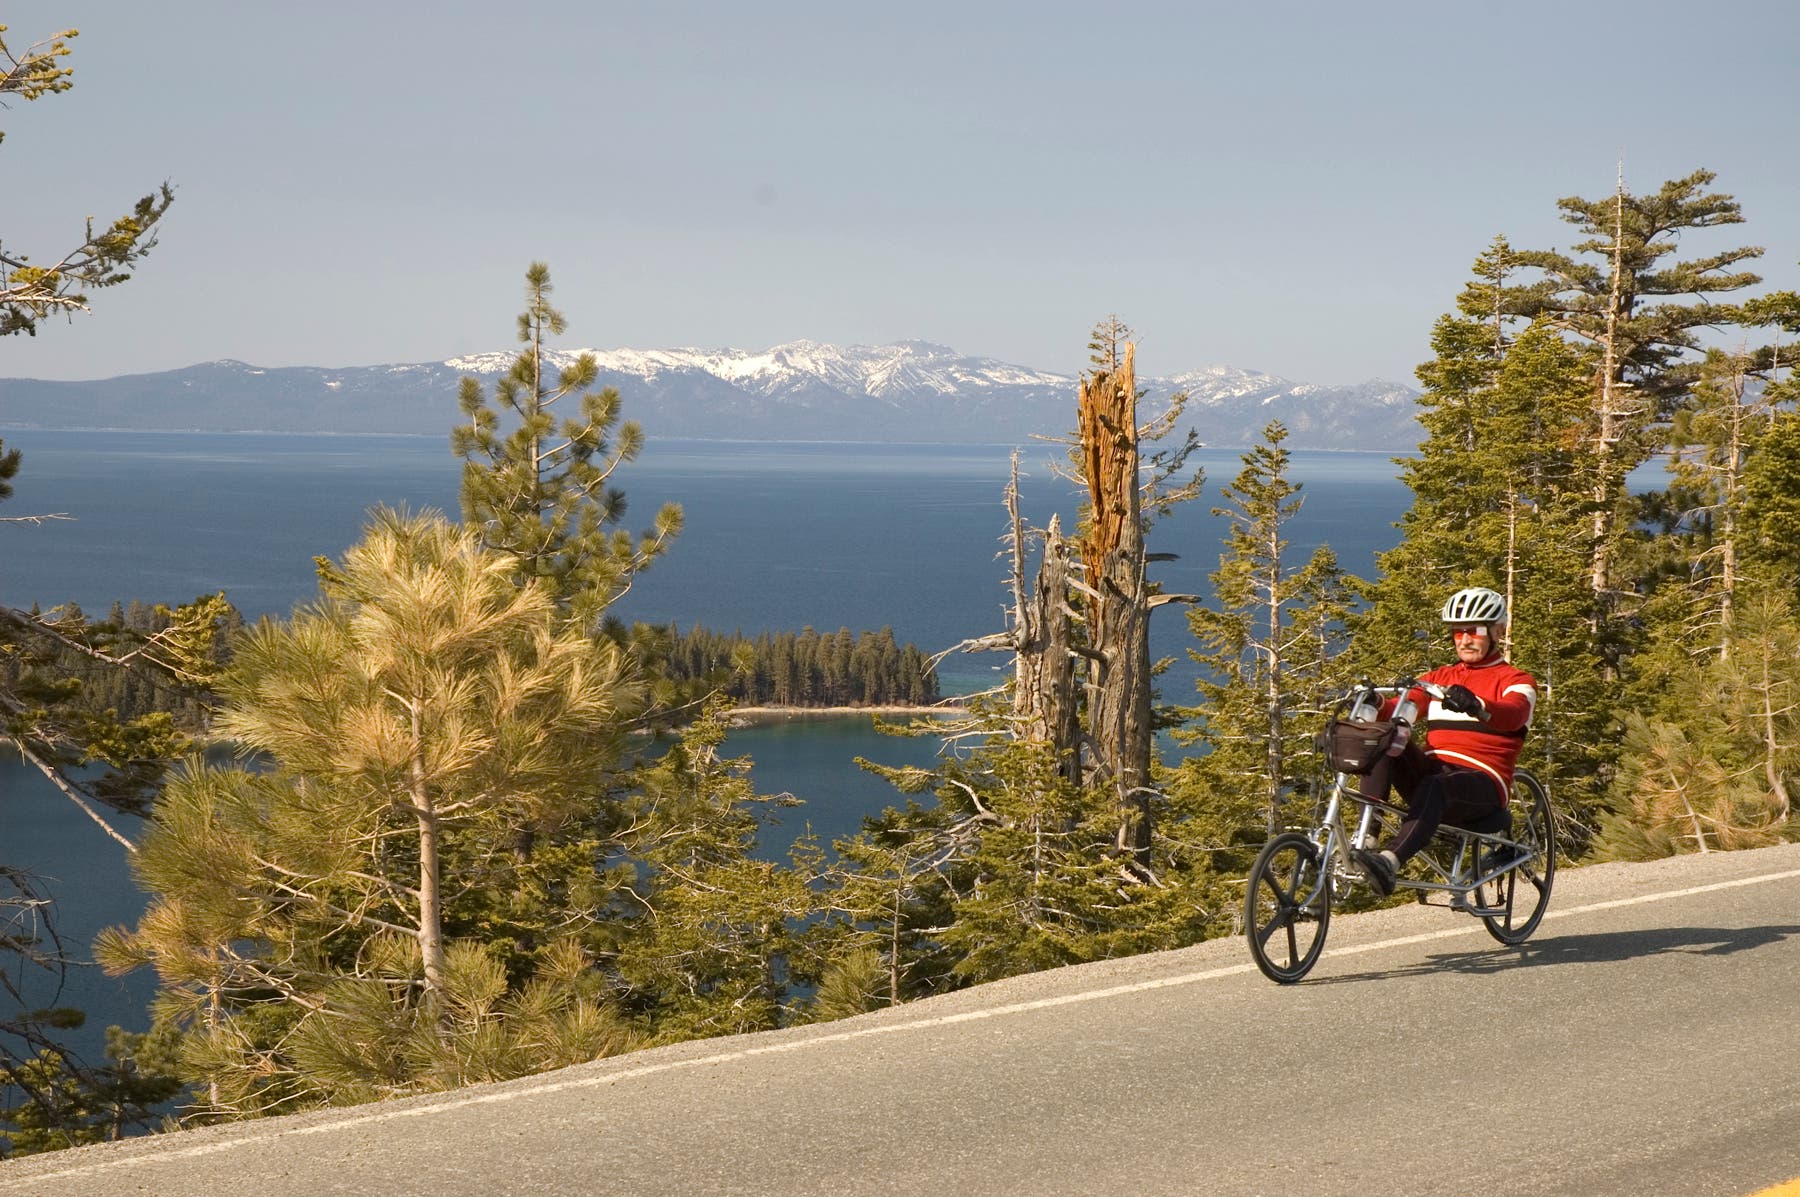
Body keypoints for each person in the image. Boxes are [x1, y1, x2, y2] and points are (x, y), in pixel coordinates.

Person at [1350, 587, 1538, 897]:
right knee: (1383, 737)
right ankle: (1367, 838)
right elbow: (1400, 706)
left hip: (1483, 781)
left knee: (1435, 786)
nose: (1464, 640)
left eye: (1474, 632)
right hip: (1435, 769)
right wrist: (1374, 702)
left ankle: (1389, 861)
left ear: (1496, 632)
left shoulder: (1516, 680)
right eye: (1458, 632)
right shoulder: (1440, 677)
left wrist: (1478, 705)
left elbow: (1513, 714)